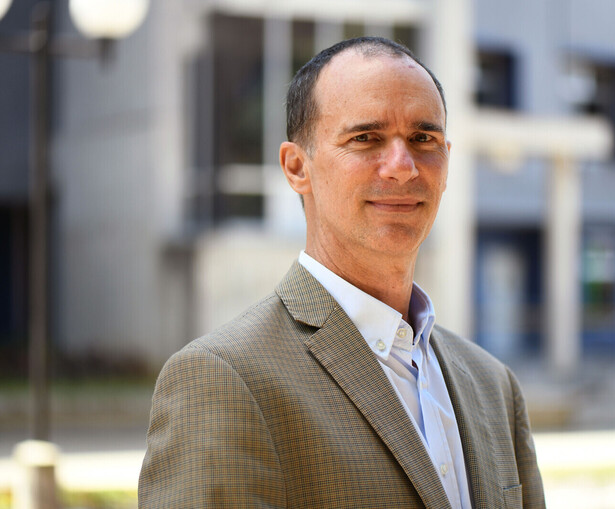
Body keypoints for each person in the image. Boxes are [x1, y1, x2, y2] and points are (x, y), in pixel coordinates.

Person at [138, 37, 545, 509]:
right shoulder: (223, 379)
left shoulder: (493, 384)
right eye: (365, 138)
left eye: (423, 139)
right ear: (296, 167)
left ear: (447, 160)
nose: (402, 166)